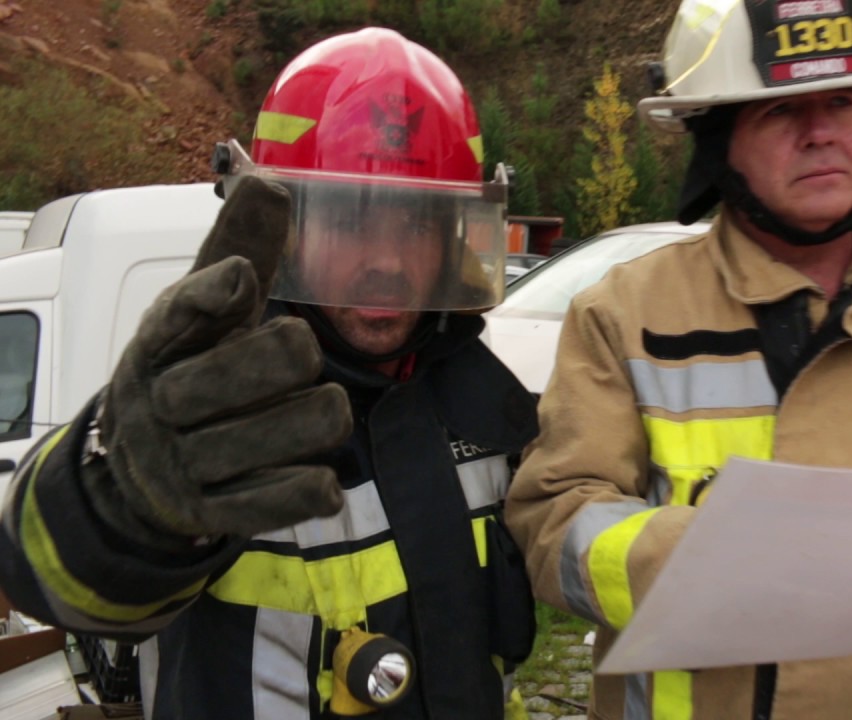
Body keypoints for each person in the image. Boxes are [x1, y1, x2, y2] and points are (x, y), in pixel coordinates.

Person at [504, 2, 852, 719]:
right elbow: (552, 520)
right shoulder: (623, 315)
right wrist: (706, 557)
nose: (820, 133)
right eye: (780, 110)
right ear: (718, 143)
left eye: (841, 101)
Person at [0, 28, 538, 720]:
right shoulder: (221, 401)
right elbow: (51, 574)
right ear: (285, 225)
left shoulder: (481, 410)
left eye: (416, 224)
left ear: (456, 234)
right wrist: (129, 505)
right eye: (350, 221)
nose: (388, 261)